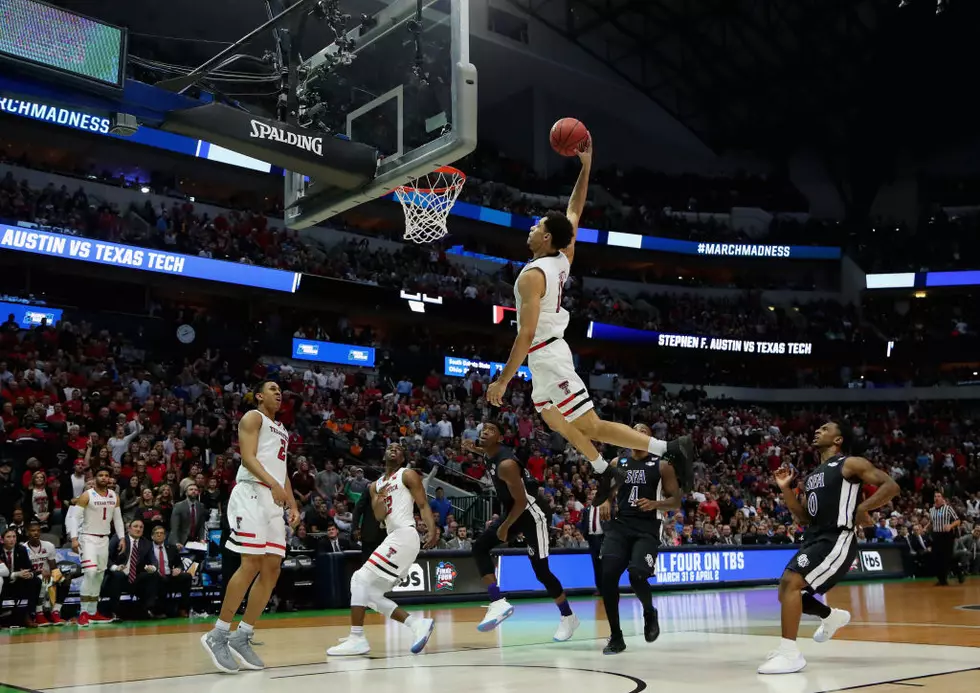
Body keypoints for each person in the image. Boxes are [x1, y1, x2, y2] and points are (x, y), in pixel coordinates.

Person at [484, 140, 694, 488]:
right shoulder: (562, 257)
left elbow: (525, 334)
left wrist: (503, 380)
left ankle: (669, 448)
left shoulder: (532, 277)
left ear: (546, 236)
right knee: (553, 418)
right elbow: (574, 211)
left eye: (536, 226)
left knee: (590, 425)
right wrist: (586, 166)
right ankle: (602, 469)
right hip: (544, 359)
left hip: (547, 354)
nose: (531, 228)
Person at [759, 421, 899, 675]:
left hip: (838, 538)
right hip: (815, 536)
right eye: (818, 428)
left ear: (838, 440)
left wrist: (862, 508)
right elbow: (803, 518)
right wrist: (785, 489)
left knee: (791, 583)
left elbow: (891, 486)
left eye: (825, 428)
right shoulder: (813, 476)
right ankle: (830, 617)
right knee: (786, 592)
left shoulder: (850, 463)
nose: (817, 430)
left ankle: (790, 654)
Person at [201, 380, 300, 674]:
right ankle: (218, 633)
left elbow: (283, 473)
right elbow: (247, 457)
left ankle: (242, 634)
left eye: (280, 389)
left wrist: (292, 505)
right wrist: (273, 485)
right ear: (259, 396)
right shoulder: (252, 417)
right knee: (252, 562)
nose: (278, 392)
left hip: (273, 499)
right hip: (251, 493)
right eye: (272, 388)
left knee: (272, 569)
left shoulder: (281, 429)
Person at [463, 421, 579, 641]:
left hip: (533, 514)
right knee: (479, 547)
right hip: (515, 511)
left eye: (491, 430)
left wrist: (505, 527)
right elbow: (484, 452)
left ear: (499, 438)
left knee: (541, 572)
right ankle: (497, 601)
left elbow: (522, 500)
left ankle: (568, 617)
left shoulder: (506, 464)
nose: (485, 431)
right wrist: (473, 448)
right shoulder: (489, 453)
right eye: (483, 429)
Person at [326, 443, 437, 656]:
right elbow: (379, 516)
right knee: (370, 594)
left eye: (398, 448)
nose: (393, 449)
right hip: (394, 535)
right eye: (390, 447)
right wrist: (380, 498)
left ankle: (356, 637)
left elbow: (422, 504)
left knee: (359, 579)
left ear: (403, 456)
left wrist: (432, 530)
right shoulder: (375, 485)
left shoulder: (408, 474)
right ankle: (417, 625)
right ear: (383, 454)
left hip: (405, 534)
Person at [595, 424, 681, 654]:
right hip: (621, 526)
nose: (638, 433)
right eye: (634, 430)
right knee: (608, 576)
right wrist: (605, 502)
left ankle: (649, 612)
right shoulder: (618, 463)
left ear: (650, 438)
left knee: (637, 575)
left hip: (648, 528)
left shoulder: (662, 466)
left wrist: (656, 504)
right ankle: (616, 636)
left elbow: (676, 501)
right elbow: (607, 490)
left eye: (643, 431)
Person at [65, 466, 125, 626]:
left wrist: (122, 537)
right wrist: (74, 538)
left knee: (99, 575)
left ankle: (93, 612)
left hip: (104, 539)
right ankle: (83, 612)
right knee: (90, 573)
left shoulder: (114, 496)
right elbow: (74, 518)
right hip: (88, 538)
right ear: (95, 478)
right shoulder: (87, 495)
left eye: (107, 475)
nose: (104, 478)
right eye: (101, 475)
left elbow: (118, 520)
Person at [102, 519, 158, 619]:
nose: (138, 529)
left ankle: (148, 610)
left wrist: (152, 568)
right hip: (117, 575)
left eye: (141, 527)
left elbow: (154, 560)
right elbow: (105, 557)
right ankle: (113, 611)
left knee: (152, 575)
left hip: (135, 576)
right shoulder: (118, 539)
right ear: (129, 529)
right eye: (135, 526)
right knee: (118, 575)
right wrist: (115, 567)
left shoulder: (147, 543)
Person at [24, 521, 68, 626]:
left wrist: (58, 576)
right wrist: (40, 572)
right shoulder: (23, 548)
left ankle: (56, 611)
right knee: (41, 580)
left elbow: (53, 567)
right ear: (27, 533)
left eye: (38, 531)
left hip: (48, 575)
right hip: (33, 577)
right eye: (33, 531)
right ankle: (39, 613)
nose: (36, 533)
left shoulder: (49, 546)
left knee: (66, 580)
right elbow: (25, 570)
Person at [148, 525, 193, 617]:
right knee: (159, 580)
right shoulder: (148, 548)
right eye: (157, 533)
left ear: (165, 536)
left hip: (170, 575)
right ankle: (158, 611)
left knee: (187, 577)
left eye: (162, 533)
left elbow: (179, 564)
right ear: (152, 536)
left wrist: (179, 569)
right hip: (155, 576)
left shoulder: (171, 548)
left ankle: (183, 609)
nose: (159, 535)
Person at [1, 526, 41, 627]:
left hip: (18, 581)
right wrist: (14, 574)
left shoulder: (21, 549)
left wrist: (29, 574)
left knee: (35, 581)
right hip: (3, 580)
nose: (12, 539)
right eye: (8, 537)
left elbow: (30, 568)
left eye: (14, 537)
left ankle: (28, 616)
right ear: (2, 539)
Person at [929, 492, 962, 586]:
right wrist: (925, 529)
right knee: (936, 557)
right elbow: (932, 522)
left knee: (948, 557)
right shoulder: (931, 510)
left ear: (942, 498)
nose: (936, 498)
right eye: (935, 496)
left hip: (946, 536)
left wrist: (950, 526)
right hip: (936, 535)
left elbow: (958, 520)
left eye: (939, 496)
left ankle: (959, 573)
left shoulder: (948, 508)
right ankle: (942, 579)